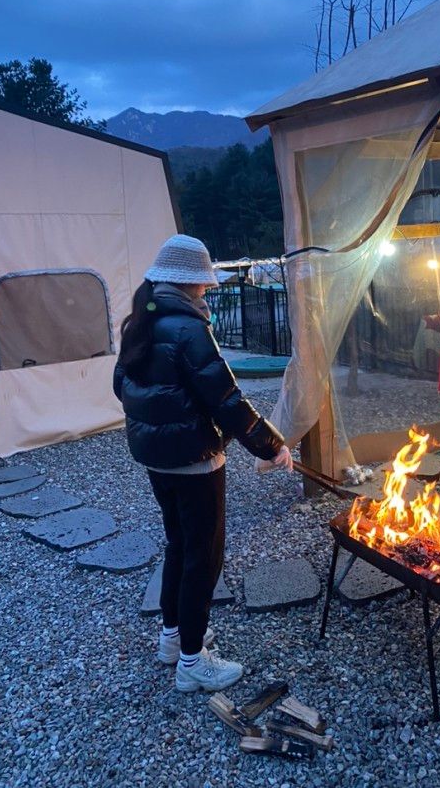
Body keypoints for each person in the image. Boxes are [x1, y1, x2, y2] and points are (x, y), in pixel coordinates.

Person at [113, 234, 292, 693]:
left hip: (158, 460)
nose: (209, 290)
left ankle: (172, 640)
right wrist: (273, 447)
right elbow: (227, 399)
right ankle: (193, 662)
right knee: (203, 557)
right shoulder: (189, 329)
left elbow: (123, 387)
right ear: (188, 283)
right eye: (204, 283)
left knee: (178, 546)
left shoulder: (141, 321)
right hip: (194, 462)